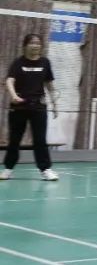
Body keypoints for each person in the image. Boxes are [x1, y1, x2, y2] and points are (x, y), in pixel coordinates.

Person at [2, 33, 60, 181]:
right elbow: (9, 80)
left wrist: (55, 104)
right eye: (32, 43)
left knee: (40, 140)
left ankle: (45, 169)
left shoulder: (45, 62)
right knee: (14, 140)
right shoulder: (18, 62)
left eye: (38, 43)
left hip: (39, 107)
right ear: (25, 45)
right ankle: (8, 169)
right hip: (19, 107)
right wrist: (14, 96)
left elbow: (49, 84)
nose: (36, 46)